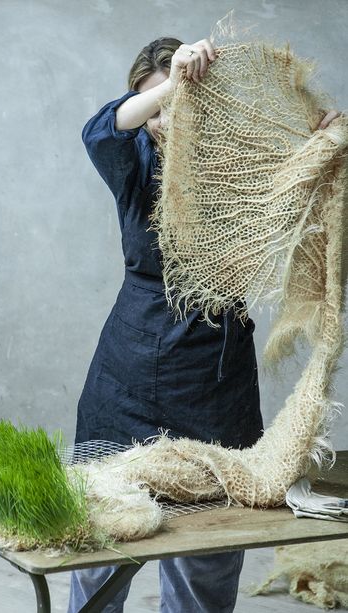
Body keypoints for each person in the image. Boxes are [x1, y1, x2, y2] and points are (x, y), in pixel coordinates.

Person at [68, 36, 340, 613]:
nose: (167, 121)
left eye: (183, 105)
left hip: (216, 378)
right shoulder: (134, 162)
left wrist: (324, 145)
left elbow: (306, 200)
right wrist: (174, 84)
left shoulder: (241, 163)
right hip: (128, 370)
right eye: (156, 109)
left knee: (211, 551)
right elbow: (99, 129)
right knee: (100, 534)